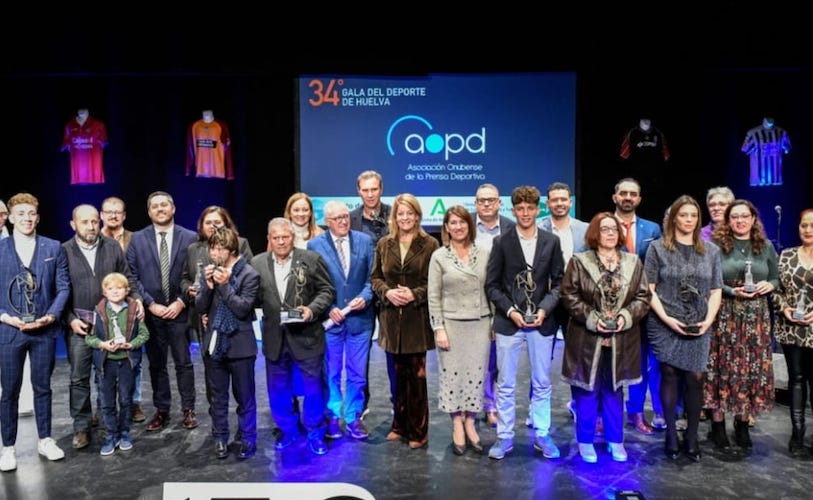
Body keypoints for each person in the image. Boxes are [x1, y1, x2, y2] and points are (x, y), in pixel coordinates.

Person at [560, 212, 651, 463]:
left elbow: (643, 297)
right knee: (587, 391)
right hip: (587, 338)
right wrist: (591, 317)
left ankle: (615, 440)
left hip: (621, 338)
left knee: (614, 391)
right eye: (604, 229)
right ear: (594, 234)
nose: (610, 233)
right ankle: (585, 441)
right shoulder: (579, 261)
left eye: (614, 229)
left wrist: (625, 317)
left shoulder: (633, 262)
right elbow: (569, 295)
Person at [485, 185, 565, 461]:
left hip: (541, 323)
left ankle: (542, 433)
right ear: (513, 209)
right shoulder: (502, 242)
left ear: (537, 208)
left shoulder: (550, 241)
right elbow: (492, 286)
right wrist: (510, 312)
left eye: (530, 208)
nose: (526, 213)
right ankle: (504, 437)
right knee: (506, 383)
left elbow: (559, 283)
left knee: (542, 381)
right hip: (510, 323)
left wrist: (543, 310)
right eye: (520, 208)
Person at [645, 196, 723, 462]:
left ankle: (691, 435)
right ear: (674, 218)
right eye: (683, 215)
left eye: (693, 215)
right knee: (668, 373)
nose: (688, 220)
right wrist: (667, 319)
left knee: (695, 378)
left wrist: (708, 320)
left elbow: (716, 290)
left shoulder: (711, 251)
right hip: (665, 321)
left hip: (699, 323)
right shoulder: (657, 248)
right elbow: (649, 290)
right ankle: (670, 435)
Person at [62, 204, 143, 450]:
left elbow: (128, 278)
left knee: (106, 376)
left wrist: (137, 298)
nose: (91, 226)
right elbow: (58, 289)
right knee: (79, 378)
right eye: (85, 222)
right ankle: (82, 428)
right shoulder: (63, 251)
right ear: (73, 224)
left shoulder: (112, 247)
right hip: (80, 325)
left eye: (95, 221)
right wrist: (69, 319)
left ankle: (107, 423)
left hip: (111, 326)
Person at [251, 217, 335, 455]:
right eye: (275, 237)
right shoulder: (257, 263)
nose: (281, 242)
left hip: (307, 337)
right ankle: (288, 430)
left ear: (293, 237)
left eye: (285, 237)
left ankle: (316, 432)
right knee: (278, 389)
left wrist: (312, 309)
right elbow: (252, 297)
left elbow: (327, 290)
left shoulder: (311, 260)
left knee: (313, 388)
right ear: (269, 239)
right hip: (274, 339)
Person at [0, 192, 70, 472]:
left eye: (31, 214)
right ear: (11, 218)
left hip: (44, 330)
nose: (27, 219)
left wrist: (50, 316)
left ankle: (45, 439)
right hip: (10, 331)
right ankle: (7, 448)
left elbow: (63, 287)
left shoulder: (53, 248)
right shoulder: (1, 249)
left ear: (38, 217)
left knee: (43, 387)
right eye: (21, 214)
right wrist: (6, 318)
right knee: (10, 391)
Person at [705, 199, 778, 453]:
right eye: (734, 217)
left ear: (753, 219)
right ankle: (717, 427)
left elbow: (775, 277)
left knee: (749, 369)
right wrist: (729, 290)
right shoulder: (716, 246)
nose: (740, 221)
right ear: (728, 220)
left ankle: (743, 424)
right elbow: (710, 279)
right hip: (725, 312)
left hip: (755, 317)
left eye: (744, 216)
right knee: (721, 367)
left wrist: (770, 285)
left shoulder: (765, 246)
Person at [371, 193, 439, 450]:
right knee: (396, 377)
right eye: (401, 213)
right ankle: (399, 425)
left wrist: (414, 294)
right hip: (391, 321)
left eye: (410, 213)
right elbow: (376, 278)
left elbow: (433, 282)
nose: (405, 217)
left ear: (418, 216)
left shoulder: (430, 244)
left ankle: (419, 431)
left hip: (416, 320)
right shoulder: (384, 243)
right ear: (395, 216)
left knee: (417, 378)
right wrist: (387, 292)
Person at [126, 191, 199, 432]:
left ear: (173, 208)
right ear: (149, 212)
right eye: (155, 206)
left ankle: (188, 410)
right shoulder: (137, 239)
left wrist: (180, 302)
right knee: (156, 365)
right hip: (152, 313)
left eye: (164, 205)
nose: (160, 209)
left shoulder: (190, 237)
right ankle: (162, 410)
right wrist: (149, 304)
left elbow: (195, 275)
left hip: (180, 311)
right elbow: (132, 277)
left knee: (183, 363)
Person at [307, 200, 375, 440]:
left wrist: (365, 298)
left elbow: (373, 278)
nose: (344, 221)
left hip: (360, 320)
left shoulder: (365, 241)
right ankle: (334, 416)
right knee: (332, 373)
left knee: (357, 373)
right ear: (327, 222)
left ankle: (354, 417)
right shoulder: (314, 245)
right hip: (331, 323)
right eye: (337, 218)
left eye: (346, 216)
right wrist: (329, 308)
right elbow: (314, 285)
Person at [428, 205, 491, 455]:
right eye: (453, 223)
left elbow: (492, 289)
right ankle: (456, 422)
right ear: (446, 227)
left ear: (469, 225)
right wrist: (438, 328)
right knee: (452, 375)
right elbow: (433, 296)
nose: (458, 227)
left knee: (476, 375)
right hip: (451, 324)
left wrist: (495, 321)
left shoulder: (484, 253)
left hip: (480, 323)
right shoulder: (439, 256)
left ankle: (471, 422)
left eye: (462, 222)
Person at [195, 227, 260, 460]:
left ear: (232, 249)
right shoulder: (208, 273)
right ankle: (220, 437)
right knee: (218, 397)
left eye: (220, 248)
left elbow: (243, 308)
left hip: (240, 346)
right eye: (212, 248)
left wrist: (223, 286)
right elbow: (200, 308)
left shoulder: (249, 275)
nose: (215, 253)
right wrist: (209, 288)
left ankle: (247, 437)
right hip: (215, 344)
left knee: (245, 397)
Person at [613, 177, 664, 433]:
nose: (628, 197)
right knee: (612, 363)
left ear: (639, 199)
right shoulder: (603, 225)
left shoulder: (652, 229)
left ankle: (637, 413)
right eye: (623, 193)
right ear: (615, 197)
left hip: (644, 306)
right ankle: (607, 413)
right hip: (611, 307)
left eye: (633, 194)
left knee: (644, 364)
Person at [538, 181, 589, 428]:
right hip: (545, 301)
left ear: (571, 202)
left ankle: (578, 405)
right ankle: (537, 411)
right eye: (554, 199)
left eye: (563, 199)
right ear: (547, 204)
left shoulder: (585, 230)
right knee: (541, 358)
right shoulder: (536, 228)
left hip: (575, 302)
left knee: (577, 358)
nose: (559, 203)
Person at [85, 272, 149, 456]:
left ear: (127, 290)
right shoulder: (97, 311)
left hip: (126, 362)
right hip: (106, 364)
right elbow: (89, 338)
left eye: (119, 288)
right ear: (104, 292)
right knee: (107, 402)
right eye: (110, 288)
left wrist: (132, 344)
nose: (115, 291)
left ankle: (124, 433)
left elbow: (144, 334)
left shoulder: (133, 309)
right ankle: (111, 435)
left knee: (126, 400)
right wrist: (103, 344)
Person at [349, 170, 393, 420]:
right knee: (360, 350)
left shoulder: (395, 215)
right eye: (365, 190)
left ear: (381, 189)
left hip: (389, 292)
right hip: (363, 293)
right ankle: (361, 401)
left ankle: (396, 400)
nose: (370, 194)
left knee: (392, 349)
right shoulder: (351, 219)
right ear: (358, 191)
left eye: (374, 189)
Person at [472, 183, 515, 428]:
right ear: (475, 203)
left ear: (499, 202)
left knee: (497, 358)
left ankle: (492, 405)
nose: (486, 204)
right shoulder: (464, 224)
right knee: (476, 357)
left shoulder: (511, 227)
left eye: (491, 200)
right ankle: (473, 403)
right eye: (481, 200)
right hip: (472, 300)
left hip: (503, 298)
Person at [181, 205, 253, 346]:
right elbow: (185, 278)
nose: (212, 226)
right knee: (209, 361)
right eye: (208, 222)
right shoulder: (193, 248)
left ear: (226, 224)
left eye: (217, 222)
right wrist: (189, 289)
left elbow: (249, 275)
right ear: (201, 226)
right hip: (202, 313)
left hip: (233, 311)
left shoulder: (241, 243)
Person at [773, 208, 813, 458]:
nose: (808, 230)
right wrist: (784, 308)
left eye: (812, 225)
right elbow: (775, 290)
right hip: (792, 329)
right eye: (804, 225)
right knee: (796, 380)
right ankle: (797, 436)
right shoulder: (786, 255)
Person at [99, 196, 142, 423]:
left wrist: (138, 301)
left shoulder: (135, 239)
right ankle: (102, 405)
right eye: (108, 212)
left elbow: (136, 274)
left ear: (124, 215)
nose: (113, 215)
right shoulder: (94, 238)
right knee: (102, 360)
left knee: (133, 358)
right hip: (104, 309)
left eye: (118, 212)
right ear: (101, 215)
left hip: (129, 307)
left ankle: (133, 403)